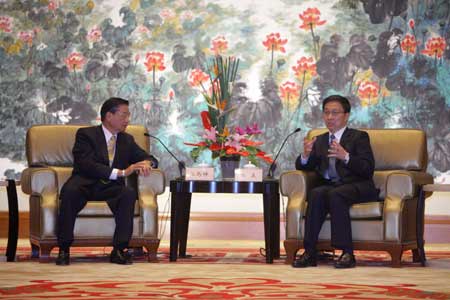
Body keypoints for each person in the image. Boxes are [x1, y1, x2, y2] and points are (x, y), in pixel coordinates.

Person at [56, 97, 158, 265]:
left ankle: (119, 250)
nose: (127, 120)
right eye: (124, 115)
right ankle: (64, 249)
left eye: (128, 115)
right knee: (70, 192)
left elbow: (147, 157)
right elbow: (86, 164)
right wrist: (122, 172)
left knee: (128, 194)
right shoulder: (86, 134)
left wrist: (148, 162)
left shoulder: (127, 140)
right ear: (109, 116)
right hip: (84, 183)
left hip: (110, 187)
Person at [293, 94, 378, 269]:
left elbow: (367, 168)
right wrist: (306, 155)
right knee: (316, 193)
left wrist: (345, 156)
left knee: (336, 193)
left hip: (358, 186)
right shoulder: (321, 139)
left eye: (335, 113)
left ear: (346, 116)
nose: (330, 117)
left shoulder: (359, 137)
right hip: (332, 187)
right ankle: (309, 252)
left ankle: (347, 252)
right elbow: (306, 166)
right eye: (326, 113)